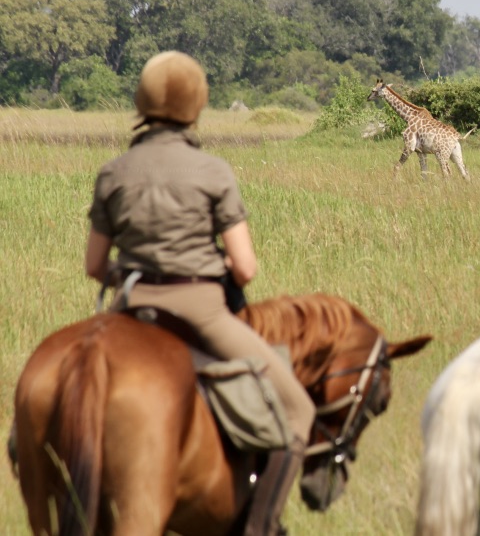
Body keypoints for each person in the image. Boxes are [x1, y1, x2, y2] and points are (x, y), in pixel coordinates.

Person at [84, 51, 315, 536]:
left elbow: (93, 266)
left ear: (142, 101)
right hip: (202, 312)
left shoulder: (113, 171)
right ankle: (260, 527)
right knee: (298, 409)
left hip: (132, 307)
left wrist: (131, 272)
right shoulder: (212, 171)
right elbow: (246, 268)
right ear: (197, 105)